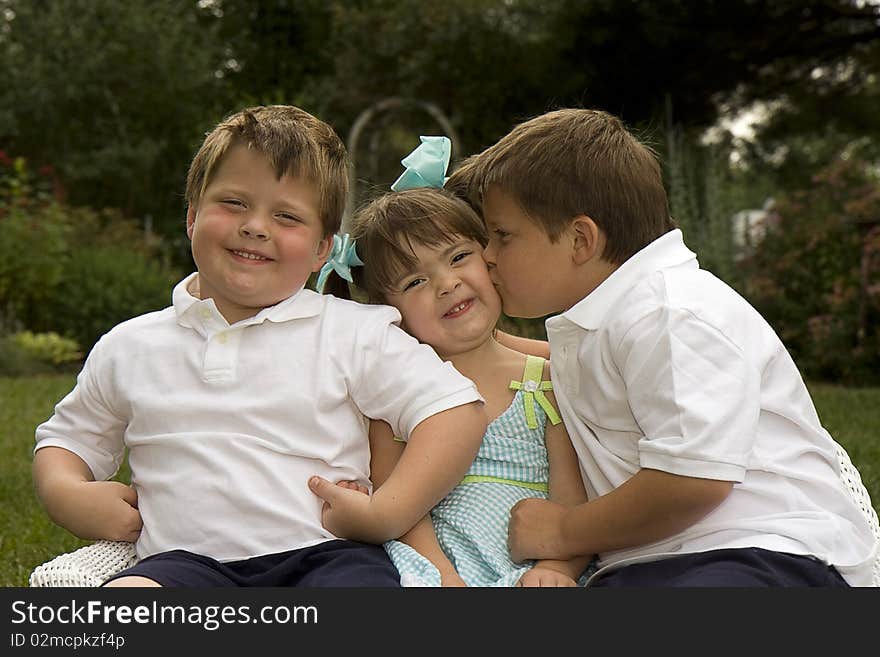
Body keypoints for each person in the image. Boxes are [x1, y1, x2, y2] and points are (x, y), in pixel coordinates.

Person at [32, 105, 487, 587]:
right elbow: (67, 441)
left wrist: (385, 513)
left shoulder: (352, 332)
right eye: (233, 203)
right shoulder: (131, 346)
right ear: (192, 216)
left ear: (321, 249)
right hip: (182, 564)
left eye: (286, 215)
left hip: (327, 558)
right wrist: (69, 495)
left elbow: (455, 410)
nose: (256, 226)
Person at [462, 108, 878, 586]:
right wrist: (457, 345)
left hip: (760, 550)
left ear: (580, 239)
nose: (488, 256)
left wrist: (563, 530)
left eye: (502, 236)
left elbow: (692, 481)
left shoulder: (671, 312)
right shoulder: (607, 319)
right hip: (659, 561)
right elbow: (556, 365)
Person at [314, 136, 592, 586]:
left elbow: (571, 496)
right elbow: (394, 500)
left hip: (532, 566)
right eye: (415, 281)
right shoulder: (398, 394)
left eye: (460, 257)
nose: (446, 284)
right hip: (433, 567)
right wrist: (442, 575)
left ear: (491, 258)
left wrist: (556, 569)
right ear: (390, 312)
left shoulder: (544, 379)